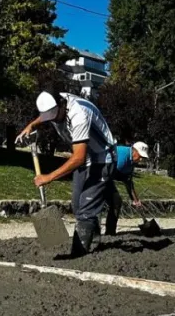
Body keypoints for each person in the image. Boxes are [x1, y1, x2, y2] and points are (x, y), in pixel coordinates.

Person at [16, 90, 117, 254]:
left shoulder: (79, 115)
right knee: (77, 206)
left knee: (85, 210)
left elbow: (78, 158)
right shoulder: (55, 106)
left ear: (62, 104)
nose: (54, 120)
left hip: (102, 159)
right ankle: (94, 236)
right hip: (85, 158)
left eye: (55, 116)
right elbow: (44, 116)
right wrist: (32, 125)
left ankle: (79, 252)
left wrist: (48, 177)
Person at [104, 141, 149, 236]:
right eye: (140, 156)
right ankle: (93, 233)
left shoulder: (131, 162)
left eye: (143, 158)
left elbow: (128, 183)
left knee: (116, 202)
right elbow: (108, 172)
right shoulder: (121, 155)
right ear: (134, 150)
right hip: (100, 175)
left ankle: (110, 233)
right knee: (99, 202)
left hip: (108, 177)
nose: (140, 160)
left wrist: (136, 201)